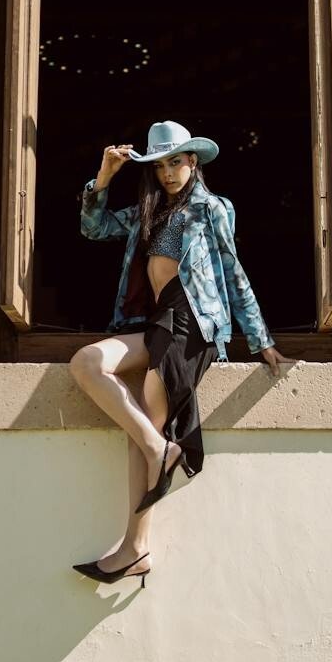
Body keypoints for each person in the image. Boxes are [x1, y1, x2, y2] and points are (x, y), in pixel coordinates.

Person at [70, 119, 288, 589]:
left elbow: (233, 270)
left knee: (145, 426)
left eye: (175, 162)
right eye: (159, 166)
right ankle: (162, 452)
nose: (168, 173)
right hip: (154, 323)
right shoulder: (147, 211)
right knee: (88, 363)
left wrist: (261, 339)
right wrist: (104, 177)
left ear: (192, 161)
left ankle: (135, 547)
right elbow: (93, 228)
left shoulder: (212, 208)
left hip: (191, 321)